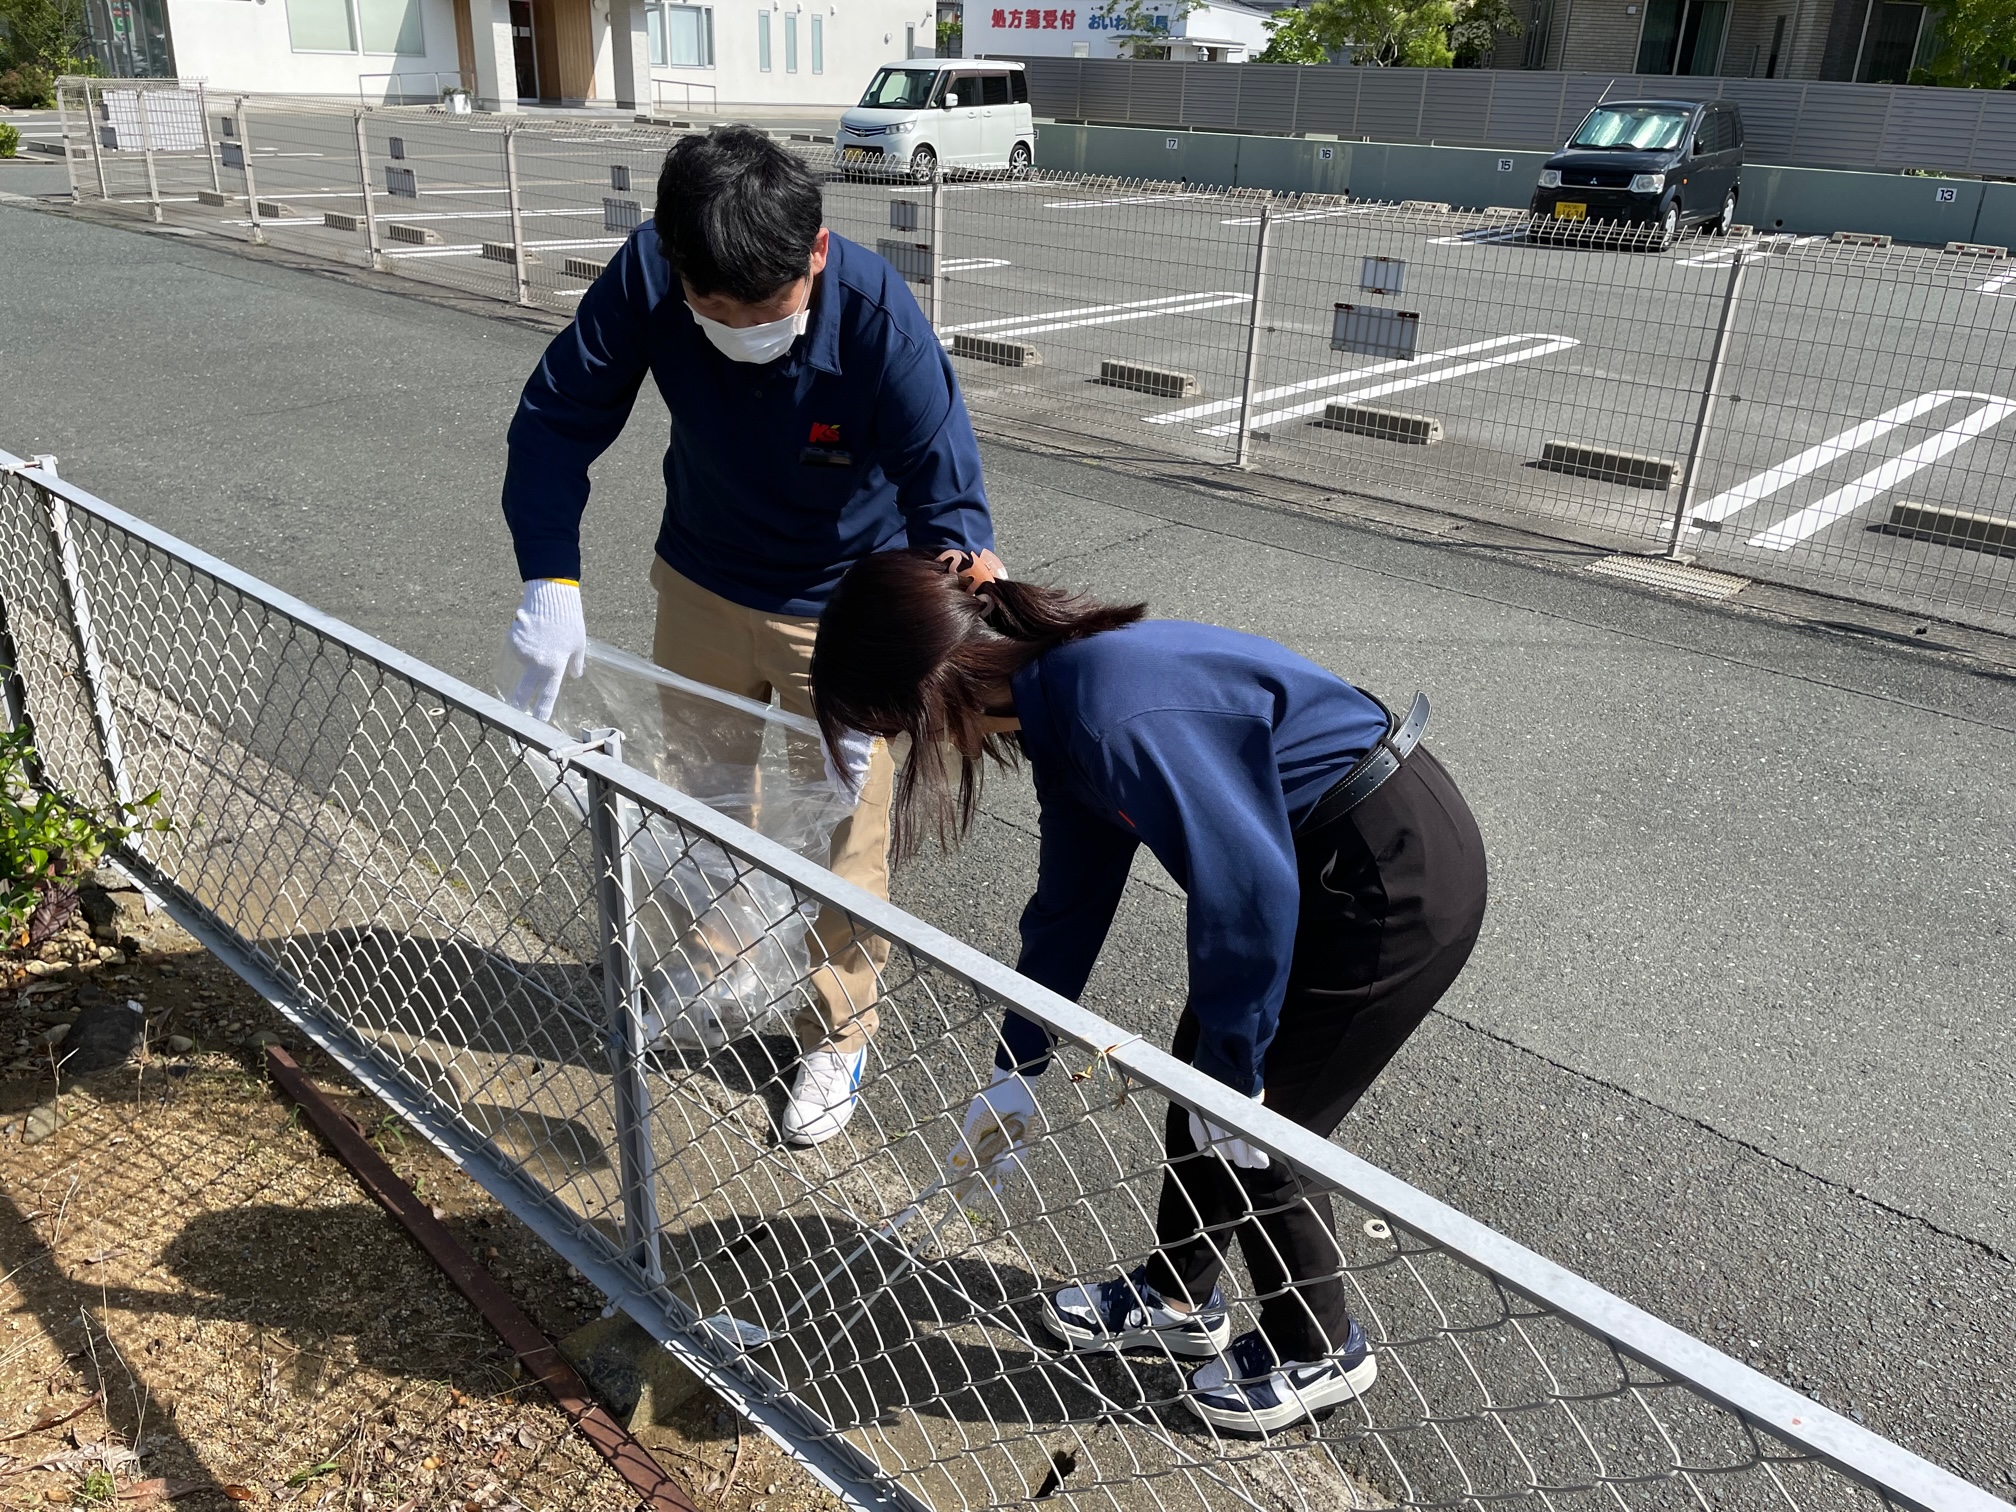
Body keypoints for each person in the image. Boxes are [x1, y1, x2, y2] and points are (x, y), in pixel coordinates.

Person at [809, 548, 1488, 1435]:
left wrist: (1239, 1074)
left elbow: (1245, 889)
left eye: (902, 727)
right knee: (1194, 1084)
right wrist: (1023, 1053)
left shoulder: (1100, 706)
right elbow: (1071, 898)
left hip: (1386, 873)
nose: (918, 747)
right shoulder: (1050, 702)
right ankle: (1179, 1298)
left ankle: (1321, 1347)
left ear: (938, 690)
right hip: (1319, 857)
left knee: (1264, 1127)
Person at [497, 126, 997, 1147]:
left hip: (845, 612)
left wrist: (922, 656)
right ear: (677, 266)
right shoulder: (653, 269)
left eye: (762, 317)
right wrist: (549, 573)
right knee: (708, 791)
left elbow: (951, 511)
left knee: (848, 832)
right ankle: (718, 958)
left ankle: (838, 1026)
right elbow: (555, 420)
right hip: (703, 579)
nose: (738, 333)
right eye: (711, 314)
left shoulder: (873, 320)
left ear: (814, 256)